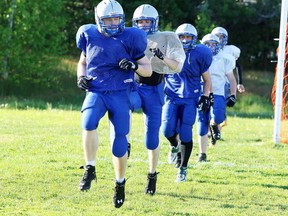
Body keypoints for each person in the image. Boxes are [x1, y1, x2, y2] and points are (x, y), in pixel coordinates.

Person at [75, 0, 152, 208]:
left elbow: (148, 69)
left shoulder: (131, 37)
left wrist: (134, 65)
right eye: (108, 19)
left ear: (122, 19)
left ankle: (119, 183)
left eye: (116, 18)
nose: (112, 23)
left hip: (120, 92)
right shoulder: (89, 34)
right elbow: (83, 62)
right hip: (97, 90)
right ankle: (90, 168)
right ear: (98, 20)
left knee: (119, 143)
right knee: (88, 121)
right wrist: (81, 76)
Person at [131, 4, 186, 191]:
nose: (144, 25)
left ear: (154, 22)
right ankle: (125, 142)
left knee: (151, 136)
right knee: (121, 109)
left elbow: (177, 67)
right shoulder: (130, 35)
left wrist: (162, 57)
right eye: (140, 21)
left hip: (154, 89)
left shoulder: (166, 38)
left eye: (147, 21)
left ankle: (152, 174)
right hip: (134, 86)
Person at [161, 23, 212, 182]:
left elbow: (207, 79)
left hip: (191, 98)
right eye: (181, 36)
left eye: (188, 37)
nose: (184, 40)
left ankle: (183, 168)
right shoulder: (169, 51)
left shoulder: (199, 54)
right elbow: (159, 74)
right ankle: (174, 146)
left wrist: (205, 96)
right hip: (172, 96)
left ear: (194, 38)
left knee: (186, 133)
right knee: (167, 130)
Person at [197, 33, 237, 161]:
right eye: (207, 44)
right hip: (203, 93)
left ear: (218, 45)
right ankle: (202, 154)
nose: (210, 47)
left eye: (213, 44)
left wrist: (233, 95)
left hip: (219, 92)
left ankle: (214, 125)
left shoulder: (224, 58)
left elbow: (231, 78)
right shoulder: (198, 57)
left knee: (219, 117)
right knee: (202, 123)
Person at [211, 27, 245, 131]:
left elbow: (238, 65)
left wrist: (240, 83)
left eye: (222, 37)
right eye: (217, 36)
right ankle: (212, 127)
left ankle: (217, 126)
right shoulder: (208, 48)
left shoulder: (230, 50)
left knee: (220, 106)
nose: (220, 39)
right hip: (210, 81)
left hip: (225, 83)